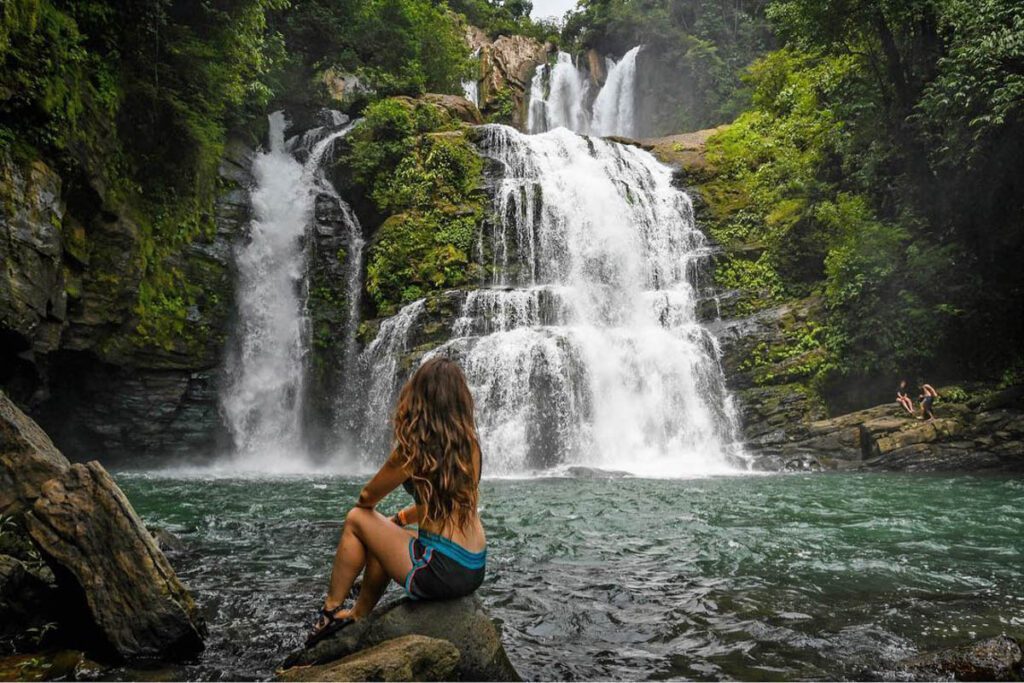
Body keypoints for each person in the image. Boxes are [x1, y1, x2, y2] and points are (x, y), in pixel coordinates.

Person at [307, 357, 486, 646]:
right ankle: (360, 612)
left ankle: (329, 610)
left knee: (356, 518)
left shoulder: (414, 449)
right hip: (474, 566)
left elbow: (366, 498)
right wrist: (400, 519)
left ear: (420, 397)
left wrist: (381, 515)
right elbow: (447, 504)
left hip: (441, 572)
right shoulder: (471, 446)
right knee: (385, 537)